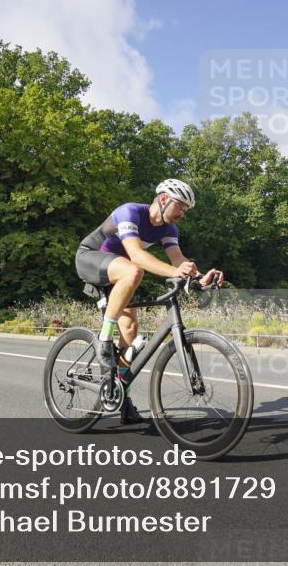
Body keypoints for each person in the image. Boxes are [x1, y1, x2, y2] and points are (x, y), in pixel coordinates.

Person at [75, 179, 224, 424]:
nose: (183, 213)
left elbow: (177, 260)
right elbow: (135, 255)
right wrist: (174, 272)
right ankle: (104, 339)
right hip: (91, 258)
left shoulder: (169, 229)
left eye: (186, 209)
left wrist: (199, 278)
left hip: (119, 271)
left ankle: (121, 395)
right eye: (181, 206)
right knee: (134, 270)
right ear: (164, 199)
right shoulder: (130, 212)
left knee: (132, 333)